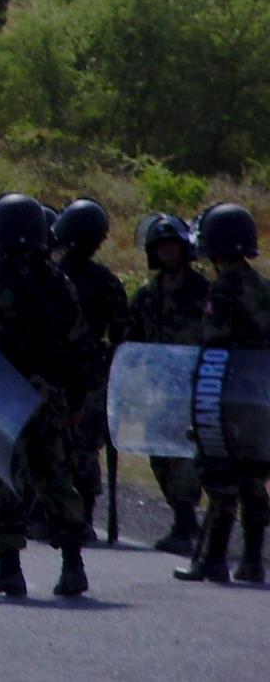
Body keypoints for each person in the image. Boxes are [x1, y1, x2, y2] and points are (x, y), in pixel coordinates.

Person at [0, 194, 92, 600]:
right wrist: (74, 398)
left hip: (6, 398)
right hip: (50, 398)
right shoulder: (60, 282)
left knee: (1, 478)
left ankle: (9, 570)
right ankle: (73, 566)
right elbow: (79, 344)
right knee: (54, 478)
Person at [174, 202, 269, 585]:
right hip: (259, 399)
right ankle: (252, 560)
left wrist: (198, 400)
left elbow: (213, 347)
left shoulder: (223, 288)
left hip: (226, 396)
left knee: (219, 476)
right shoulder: (262, 286)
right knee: (254, 478)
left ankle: (213, 559)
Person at [124, 213, 208, 556]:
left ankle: (187, 522)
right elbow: (132, 342)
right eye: (161, 248)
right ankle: (181, 516)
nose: (167, 253)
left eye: (172, 246)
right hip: (160, 390)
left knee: (189, 456)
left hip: (194, 388)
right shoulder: (147, 295)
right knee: (160, 456)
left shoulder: (203, 292)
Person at [53, 200, 126, 541]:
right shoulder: (107, 282)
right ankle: (81, 519)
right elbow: (122, 334)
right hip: (91, 374)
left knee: (60, 446)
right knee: (85, 449)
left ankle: (55, 516)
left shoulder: (51, 276)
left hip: (57, 371)